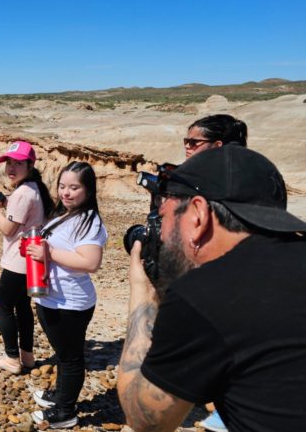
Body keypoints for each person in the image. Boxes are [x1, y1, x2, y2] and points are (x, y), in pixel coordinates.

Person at [117, 145, 306, 431]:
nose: (163, 235)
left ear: (198, 213)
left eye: (164, 217)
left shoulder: (205, 295)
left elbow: (145, 419)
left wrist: (142, 290)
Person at [26, 162, 107, 429]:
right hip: (51, 296)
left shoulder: (89, 221)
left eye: (74, 187)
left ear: (88, 189)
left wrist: (49, 254)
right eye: (62, 186)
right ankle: (61, 396)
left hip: (71, 302)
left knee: (71, 358)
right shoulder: (64, 214)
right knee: (63, 354)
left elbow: (90, 263)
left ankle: (65, 412)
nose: (66, 193)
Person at [184, 113, 248, 432]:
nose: (187, 148)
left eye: (193, 142)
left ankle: (229, 409)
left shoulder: (232, 183)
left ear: (217, 145)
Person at [0, 141, 53, 374]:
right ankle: (28, 356)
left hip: (18, 260)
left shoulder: (24, 192)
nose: (11, 168)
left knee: (3, 306)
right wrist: (6, 202)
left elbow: (8, 229)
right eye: (9, 163)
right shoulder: (35, 188)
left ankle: (12, 358)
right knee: (23, 306)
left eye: (18, 163)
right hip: (30, 261)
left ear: (30, 164)